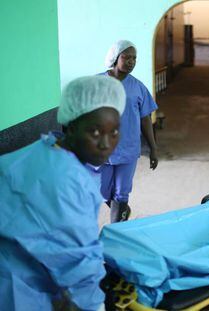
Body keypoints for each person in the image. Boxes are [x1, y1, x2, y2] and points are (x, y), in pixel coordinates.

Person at [0, 75, 126, 310]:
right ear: (70, 125)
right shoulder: (67, 182)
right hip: (18, 291)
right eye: (95, 132)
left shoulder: (43, 149)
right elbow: (78, 263)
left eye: (115, 132)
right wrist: (94, 306)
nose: (106, 144)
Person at [98, 40, 158, 223]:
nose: (131, 61)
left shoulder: (138, 87)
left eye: (135, 58)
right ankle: (122, 210)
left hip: (128, 148)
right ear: (115, 58)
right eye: (127, 57)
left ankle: (117, 230)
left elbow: (145, 118)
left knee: (121, 193)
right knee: (99, 189)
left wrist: (153, 148)